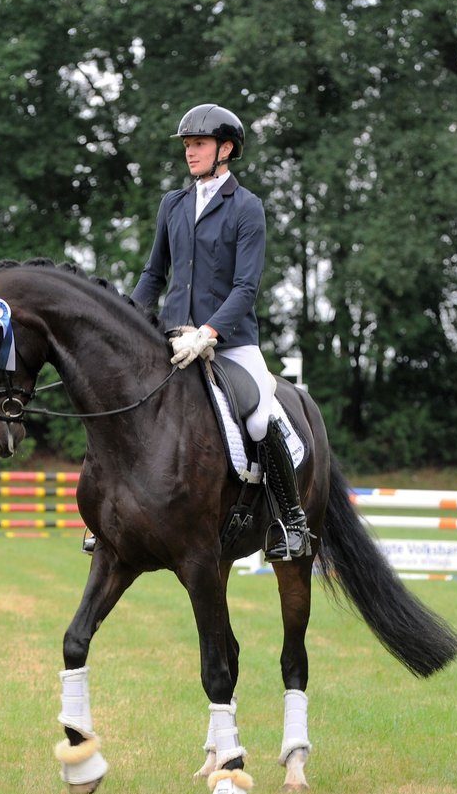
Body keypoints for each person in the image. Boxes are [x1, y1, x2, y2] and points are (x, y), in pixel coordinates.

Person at [84, 103, 310, 560]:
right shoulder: (174, 203)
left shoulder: (247, 208)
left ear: (225, 149)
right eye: (187, 145)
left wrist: (208, 333)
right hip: (170, 340)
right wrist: (123, 322)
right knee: (117, 403)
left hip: (229, 343)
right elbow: (153, 275)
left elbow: (246, 287)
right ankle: (104, 517)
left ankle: (292, 522)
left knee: (262, 418)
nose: (190, 152)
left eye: (199, 144)